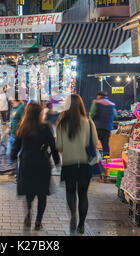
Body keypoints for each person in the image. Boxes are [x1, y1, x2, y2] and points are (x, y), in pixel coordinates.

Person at [11, 102, 60, 230]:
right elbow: (53, 146)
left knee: (29, 190)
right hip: (42, 163)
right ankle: (38, 221)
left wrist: (12, 157)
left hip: (27, 162)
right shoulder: (45, 127)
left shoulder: (23, 127)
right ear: (39, 113)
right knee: (42, 194)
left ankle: (28, 210)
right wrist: (57, 160)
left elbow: (16, 146)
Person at [57, 94, 99, 234]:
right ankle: (81, 225)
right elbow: (95, 142)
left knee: (70, 192)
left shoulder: (62, 123)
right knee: (83, 194)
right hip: (85, 163)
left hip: (69, 163)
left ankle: (73, 214)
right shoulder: (88, 122)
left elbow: (59, 146)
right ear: (81, 105)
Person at [89, 91, 118, 157]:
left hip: (97, 127)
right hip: (107, 128)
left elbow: (92, 114)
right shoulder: (111, 104)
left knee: (93, 143)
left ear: (98, 96)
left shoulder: (96, 102)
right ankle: (106, 160)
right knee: (105, 144)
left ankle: (93, 159)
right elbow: (116, 116)